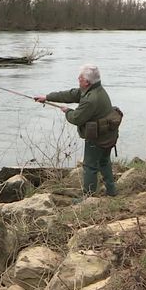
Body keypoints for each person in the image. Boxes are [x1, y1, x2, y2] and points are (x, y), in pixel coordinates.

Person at [34, 64, 117, 197]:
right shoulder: (95, 89)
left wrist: (67, 111)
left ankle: (88, 197)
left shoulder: (90, 99)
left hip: (97, 138)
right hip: (109, 134)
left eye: (80, 77)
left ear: (87, 82)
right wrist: (47, 97)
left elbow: (76, 118)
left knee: (90, 166)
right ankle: (112, 191)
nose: (78, 78)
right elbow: (72, 94)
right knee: (104, 161)